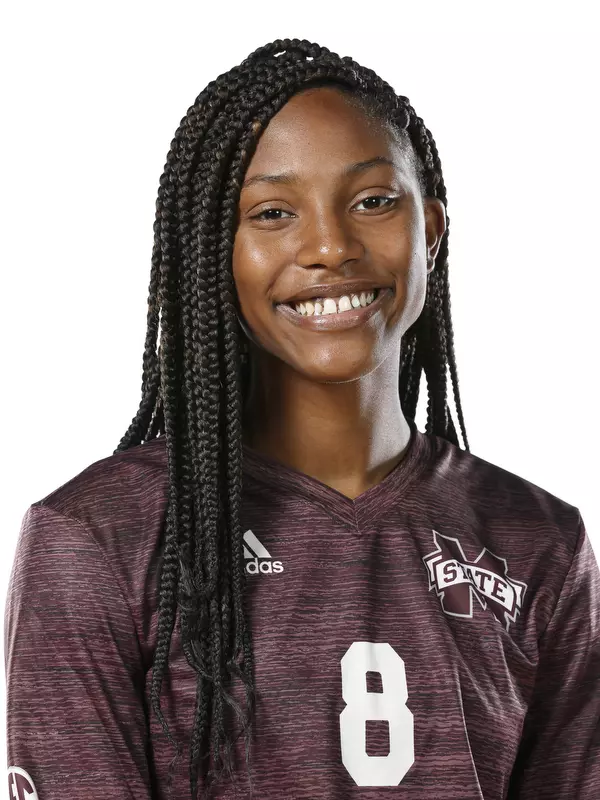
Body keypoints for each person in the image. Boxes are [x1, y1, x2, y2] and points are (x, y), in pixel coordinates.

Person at [4, 37, 599, 800]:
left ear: (434, 230)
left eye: (374, 201)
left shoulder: (537, 540)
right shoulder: (97, 536)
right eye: (273, 212)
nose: (329, 246)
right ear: (214, 249)